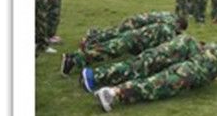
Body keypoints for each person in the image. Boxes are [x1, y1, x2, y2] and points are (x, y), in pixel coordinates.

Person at [94, 40, 217, 112]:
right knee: (152, 87)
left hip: (182, 67)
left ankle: (113, 90)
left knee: (152, 81)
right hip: (186, 77)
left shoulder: (213, 45)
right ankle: (112, 93)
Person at [60, 15, 188, 75]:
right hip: (132, 41)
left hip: (132, 37)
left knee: (106, 48)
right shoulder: (168, 32)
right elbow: (163, 49)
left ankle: (74, 56)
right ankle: (73, 60)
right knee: (106, 51)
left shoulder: (166, 23)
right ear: (178, 27)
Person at [80, 33, 204, 92]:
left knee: (129, 69)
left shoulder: (184, 38)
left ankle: (99, 78)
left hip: (153, 54)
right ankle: (93, 75)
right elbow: (194, 64)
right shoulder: (193, 46)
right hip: (155, 60)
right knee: (128, 69)